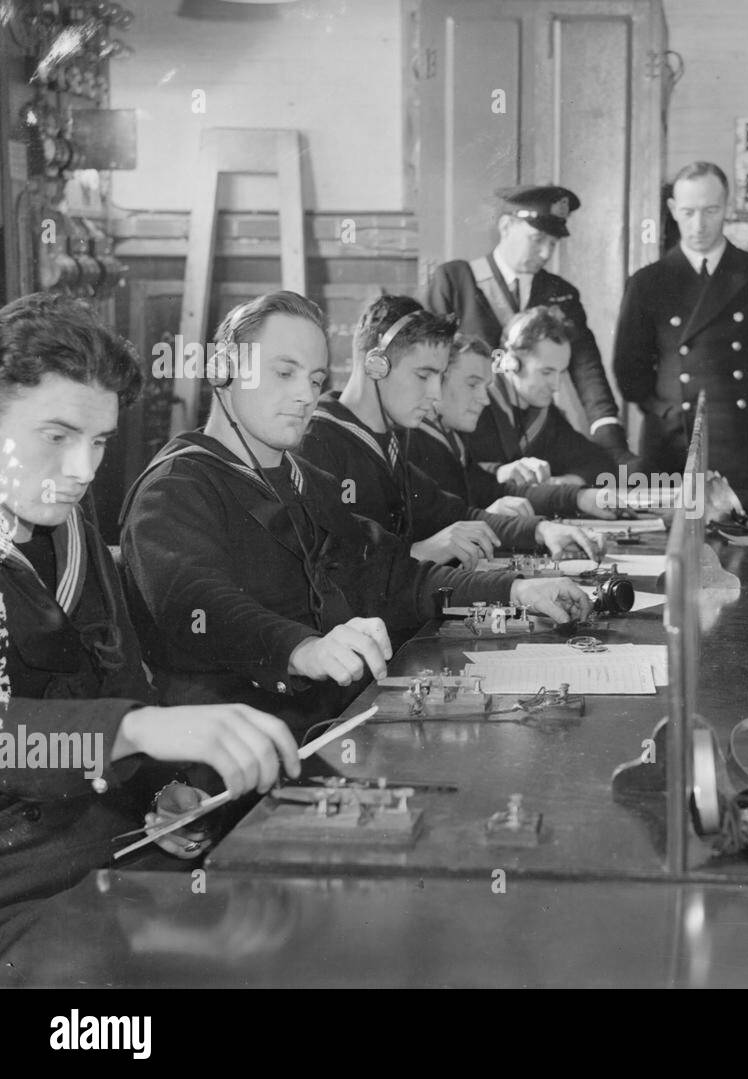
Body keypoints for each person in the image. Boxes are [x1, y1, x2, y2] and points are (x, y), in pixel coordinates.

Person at [120, 291, 592, 734]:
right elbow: (196, 602)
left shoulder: (309, 483)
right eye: (285, 373)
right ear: (223, 371)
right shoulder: (177, 487)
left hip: (324, 723)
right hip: (229, 750)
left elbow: (399, 578)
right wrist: (301, 648)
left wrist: (517, 589)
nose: (306, 395)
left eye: (316, 380)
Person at [0, 293, 301, 944]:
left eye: (100, 440)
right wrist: (140, 729)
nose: (83, 470)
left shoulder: (66, 522)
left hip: (102, 850)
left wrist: (162, 789)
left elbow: (119, 675)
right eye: (57, 436)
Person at [298, 294, 597, 567]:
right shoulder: (316, 443)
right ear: (376, 365)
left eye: (438, 377)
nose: (435, 394)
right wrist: (423, 551)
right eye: (424, 375)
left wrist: (541, 530)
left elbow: (455, 514)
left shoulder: (389, 441)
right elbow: (332, 569)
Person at [613, 161, 748, 509]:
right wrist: (665, 412)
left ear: (727, 208)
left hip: (746, 443)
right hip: (672, 446)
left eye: (710, 210)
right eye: (688, 212)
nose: (698, 225)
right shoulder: (648, 283)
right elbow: (629, 370)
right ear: (673, 210)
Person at [426, 184, 635, 464]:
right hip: (469, 437)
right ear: (506, 226)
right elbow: (430, 362)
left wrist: (609, 435)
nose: (546, 252)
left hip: (530, 433)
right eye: (537, 239)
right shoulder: (455, 281)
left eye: (552, 243)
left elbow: (587, 368)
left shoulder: (560, 292)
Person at [410, 333, 617, 520]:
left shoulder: (452, 434)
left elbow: (491, 492)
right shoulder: (418, 439)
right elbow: (444, 525)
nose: (484, 399)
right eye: (473, 385)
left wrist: (576, 496)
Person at [467, 305, 617, 489]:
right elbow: (452, 471)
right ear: (512, 363)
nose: (556, 386)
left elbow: (600, 463)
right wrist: (498, 472)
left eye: (560, 373)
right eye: (546, 372)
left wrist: (562, 483)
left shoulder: (544, 414)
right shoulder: (473, 404)